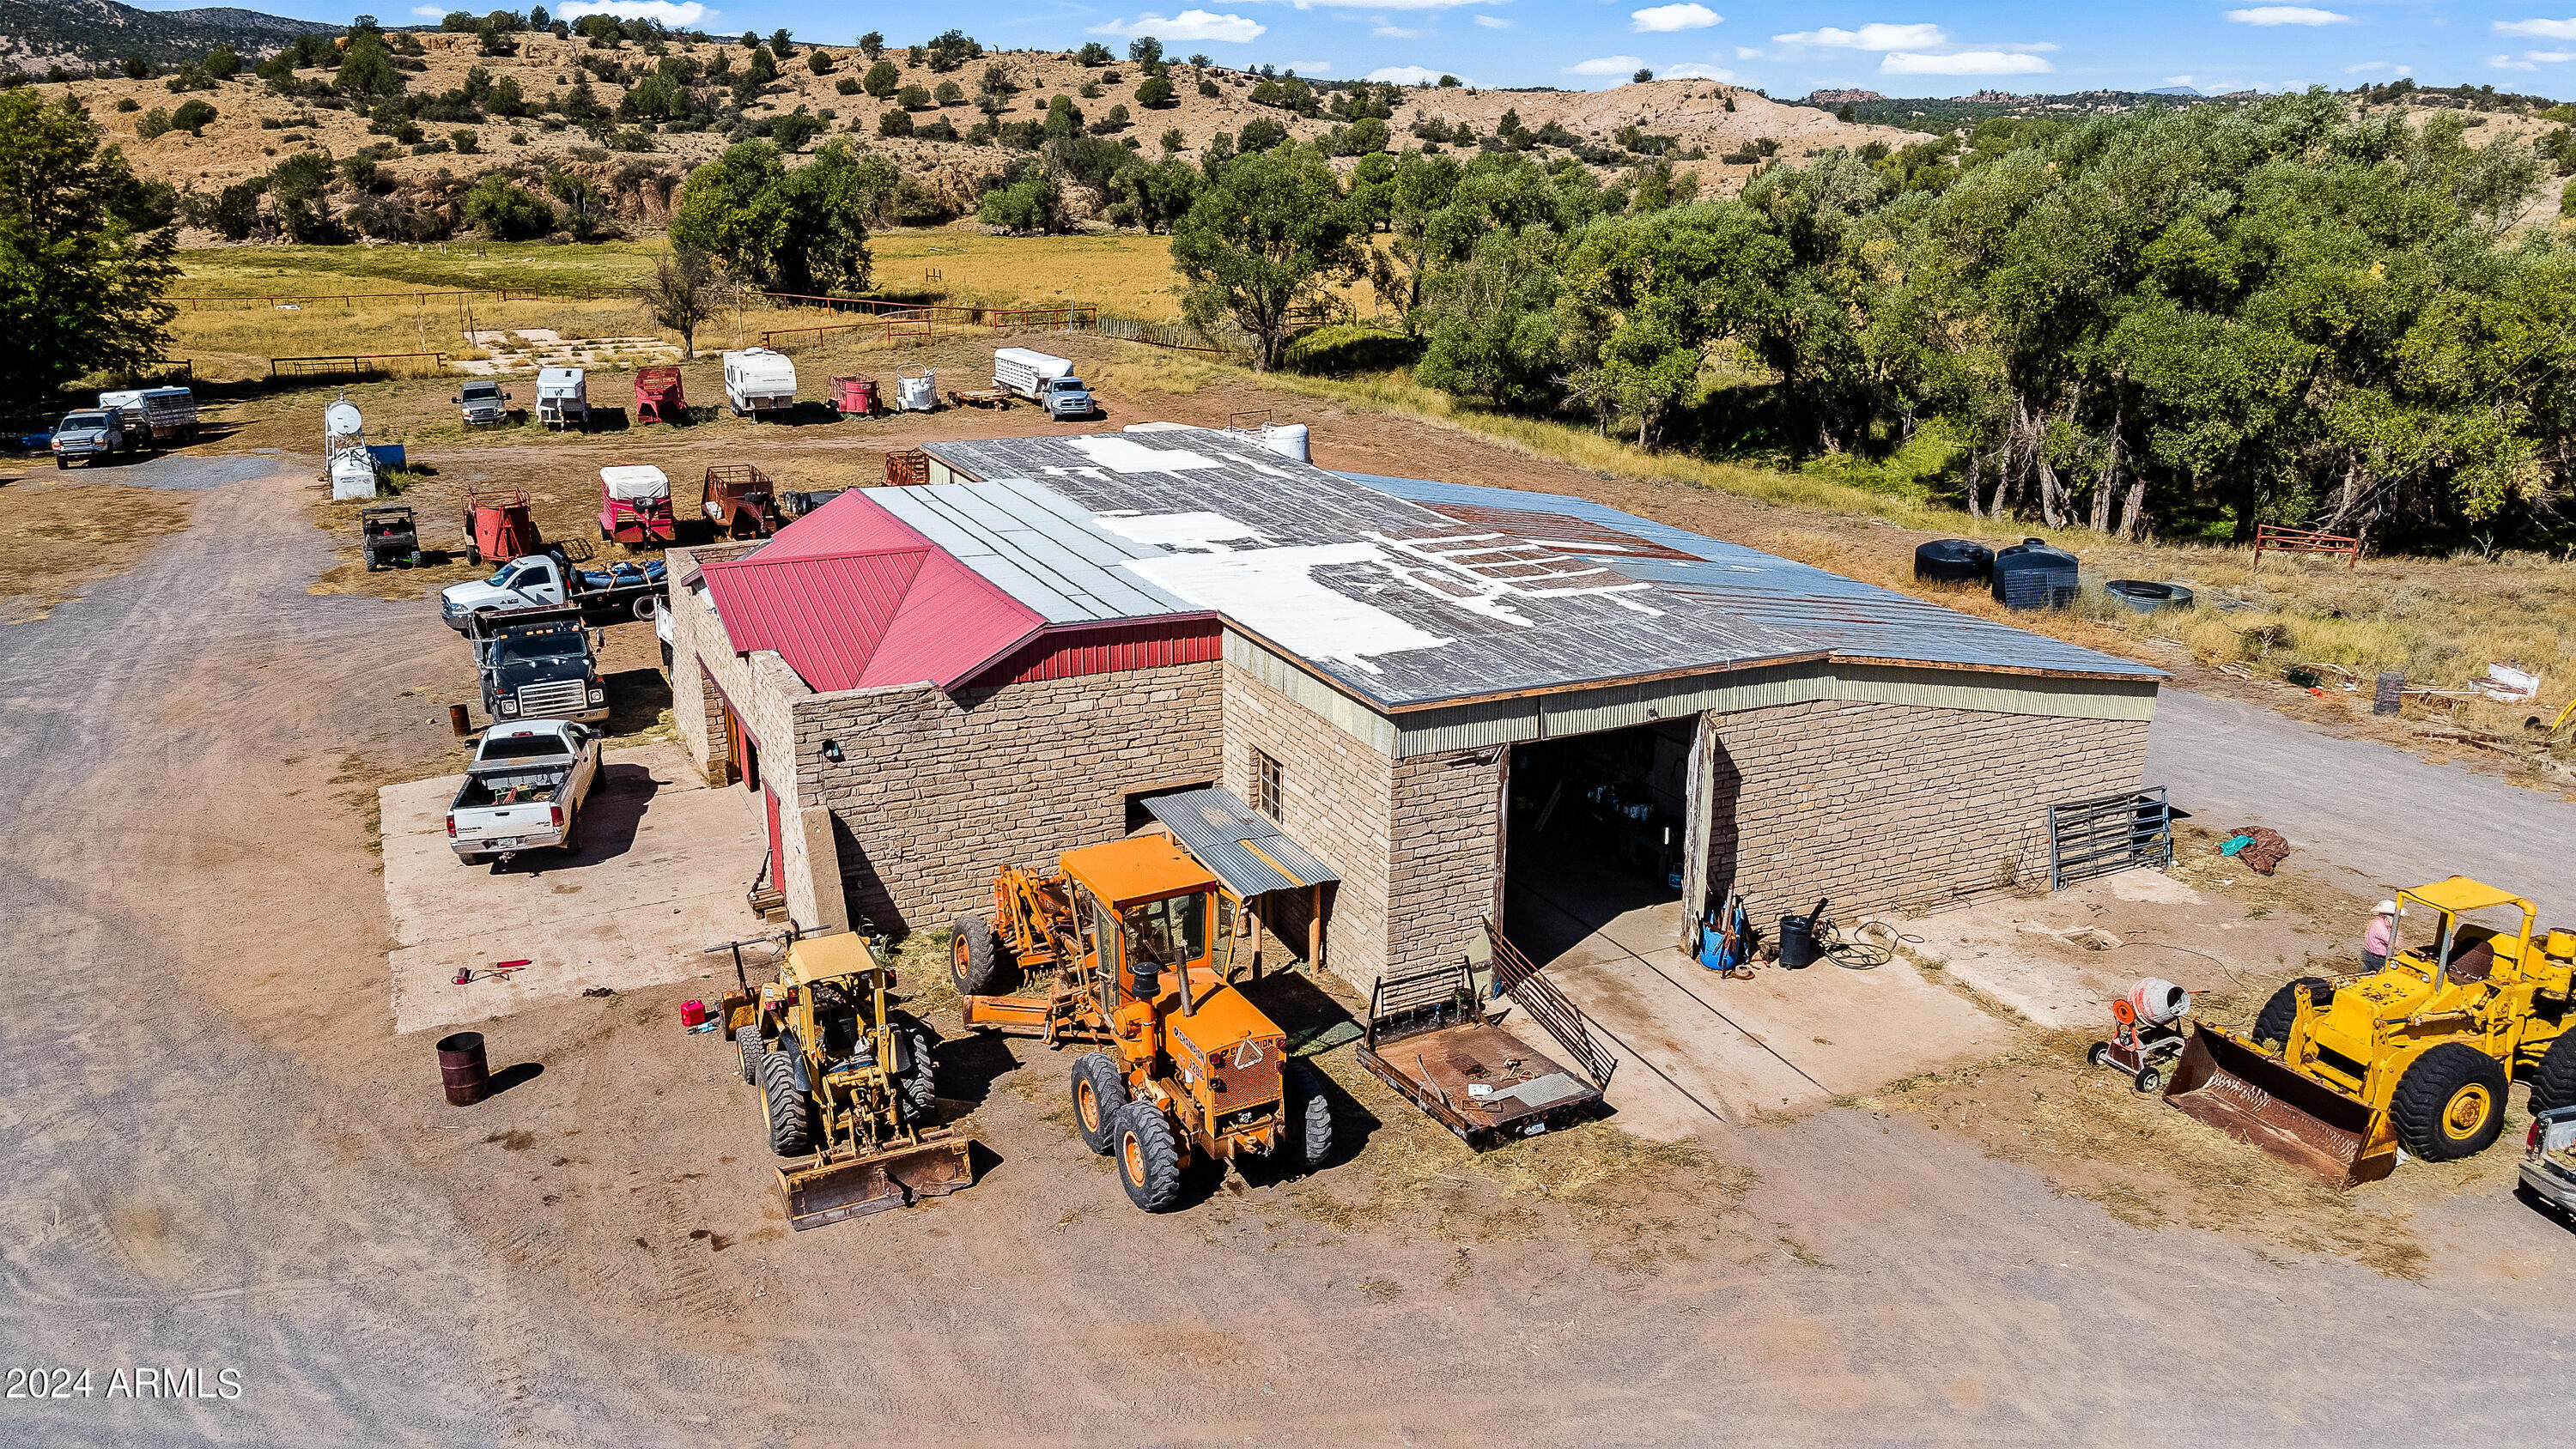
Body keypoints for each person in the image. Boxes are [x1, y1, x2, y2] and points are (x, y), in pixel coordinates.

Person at [2363, 900, 2397, 971]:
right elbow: (2393, 942)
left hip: (2372, 955)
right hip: (2377, 958)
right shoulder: (2379, 926)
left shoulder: (2380, 924)